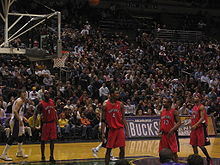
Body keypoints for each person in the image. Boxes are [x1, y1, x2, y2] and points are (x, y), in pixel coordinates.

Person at [101, 89, 128, 165]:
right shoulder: (105, 105)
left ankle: (122, 164)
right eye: (116, 93)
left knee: (122, 148)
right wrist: (102, 133)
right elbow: (102, 121)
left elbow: (123, 118)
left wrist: (127, 130)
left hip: (120, 129)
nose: (118, 94)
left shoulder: (121, 104)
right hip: (111, 130)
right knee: (108, 150)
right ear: (112, 94)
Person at [0, 89, 28, 161]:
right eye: (23, 92)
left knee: (22, 135)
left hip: (18, 120)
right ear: (20, 93)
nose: (24, 93)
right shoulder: (20, 101)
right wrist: (19, 120)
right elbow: (15, 111)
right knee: (13, 137)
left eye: (25, 92)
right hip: (16, 121)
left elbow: (18, 111)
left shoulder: (21, 100)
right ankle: (3, 154)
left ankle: (19, 152)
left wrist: (23, 117)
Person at [34, 91, 58, 163]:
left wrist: (57, 121)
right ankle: (43, 156)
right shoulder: (41, 104)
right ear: (43, 96)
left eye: (48, 93)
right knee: (43, 141)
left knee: (52, 140)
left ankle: (51, 156)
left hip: (52, 123)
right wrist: (34, 123)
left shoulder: (52, 102)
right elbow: (35, 113)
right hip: (45, 124)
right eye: (46, 94)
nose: (47, 94)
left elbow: (54, 112)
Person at [190, 95, 212, 165]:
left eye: (196, 97)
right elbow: (194, 117)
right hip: (194, 129)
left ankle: (208, 157)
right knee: (193, 145)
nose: (194, 98)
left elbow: (202, 118)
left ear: (199, 98)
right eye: (194, 97)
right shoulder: (194, 107)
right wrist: (190, 123)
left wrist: (195, 125)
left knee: (201, 146)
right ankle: (196, 159)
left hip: (199, 128)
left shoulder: (201, 107)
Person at [159, 98, 181, 162]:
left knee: (174, 152)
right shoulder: (162, 112)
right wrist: (159, 130)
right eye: (163, 102)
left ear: (169, 103)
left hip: (171, 135)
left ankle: (176, 163)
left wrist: (172, 129)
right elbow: (161, 122)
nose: (163, 103)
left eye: (165, 102)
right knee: (162, 152)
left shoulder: (174, 111)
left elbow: (179, 122)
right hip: (163, 135)